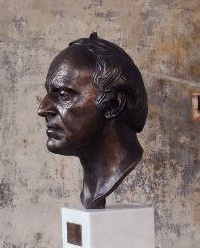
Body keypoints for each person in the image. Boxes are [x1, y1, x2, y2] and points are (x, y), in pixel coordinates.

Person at [37, 33, 148, 209]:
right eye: (49, 93)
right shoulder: (92, 186)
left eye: (64, 95)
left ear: (113, 104)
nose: (43, 109)